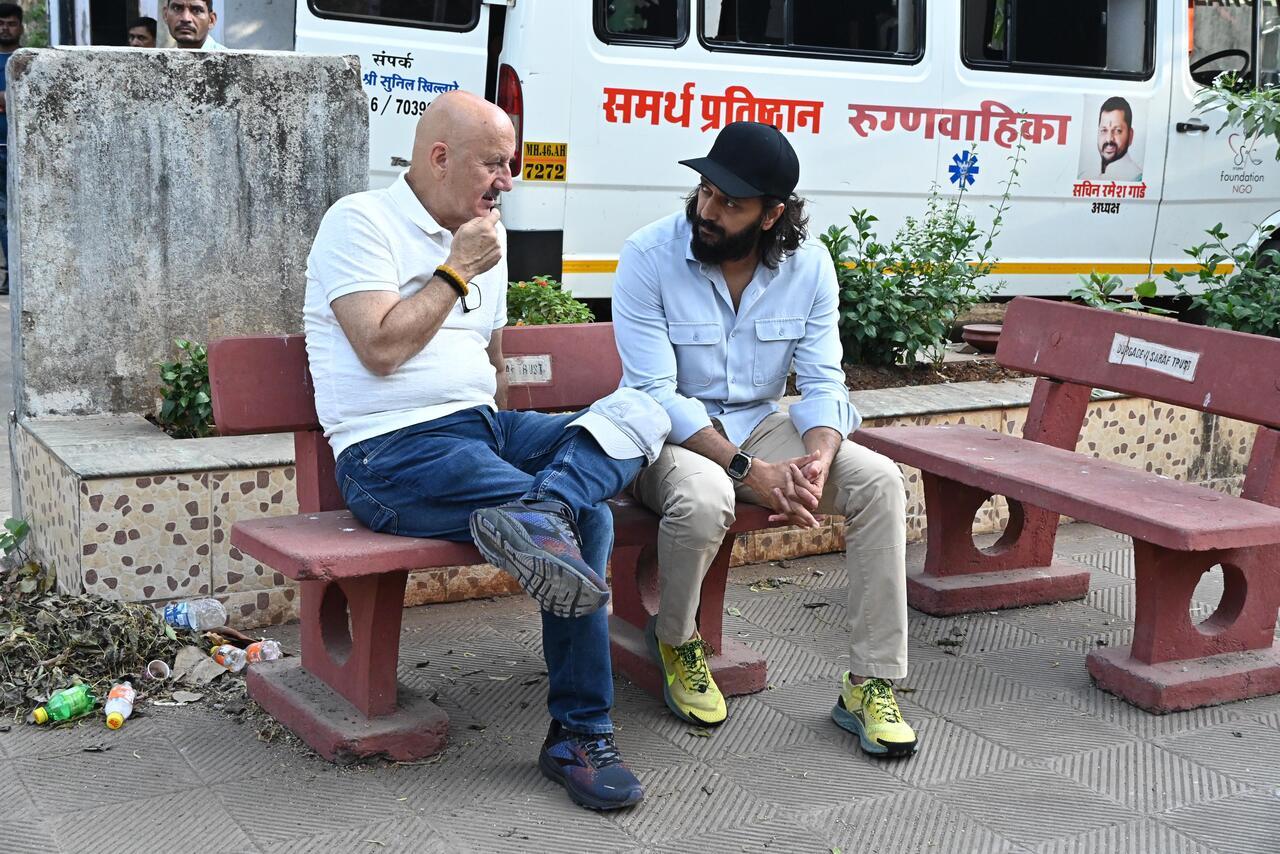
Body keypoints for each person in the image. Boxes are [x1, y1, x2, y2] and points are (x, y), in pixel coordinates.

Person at [304, 90, 669, 811]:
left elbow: (490, 358)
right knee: (589, 524)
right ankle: (580, 734)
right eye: (495, 164)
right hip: (391, 451)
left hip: (481, 428)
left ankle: (546, 505)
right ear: (441, 157)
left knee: (642, 411)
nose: (508, 181)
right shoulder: (360, 222)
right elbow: (379, 348)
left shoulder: (484, 235)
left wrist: (526, 451)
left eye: (512, 166)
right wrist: (456, 268)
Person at [613, 121, 918, 758]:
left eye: (732, 203)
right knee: (705, 497)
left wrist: (818, 456)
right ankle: (676, 640)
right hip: (663, 436)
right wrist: (746, 468)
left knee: (879, 482)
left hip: (759, 423)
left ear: (773, 214)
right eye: (705, 191)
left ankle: (870, 682)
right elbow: (654, 393)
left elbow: (824, 380)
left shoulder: (809, 266)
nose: (709, 210)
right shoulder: (648, 255)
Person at [0, 2, 21, 296]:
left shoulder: (24, 60)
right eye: (0, 22)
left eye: (11, 23)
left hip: (14, 148)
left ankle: (12, 276)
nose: (5, 28)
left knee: (10, 216)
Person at [1081, 96, 1142, 182]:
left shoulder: (1137, 179)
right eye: (1104, 130)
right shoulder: (1085, 176)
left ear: (1130, 135)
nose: (1109, 139)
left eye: (1117, 131)